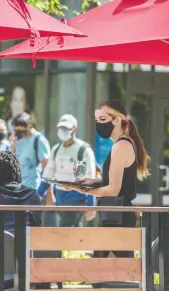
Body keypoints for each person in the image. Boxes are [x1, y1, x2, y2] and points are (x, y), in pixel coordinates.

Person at [65, 100, 150, 259]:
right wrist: (92, 182)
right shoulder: (122, 144)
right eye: (97, 120)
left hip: (116, 216)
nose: (99, 124)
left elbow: (113, 190)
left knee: (109, 274)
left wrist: (82, 189)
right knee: (110, 274)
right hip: (115, 214)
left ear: (117, 120)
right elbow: (115, 182)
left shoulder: (121, 146)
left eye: (103, 119)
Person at [39, 114, 97, 227]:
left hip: (76, 196)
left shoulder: (82, 150)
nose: (63, 131)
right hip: (60, 196)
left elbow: (88, 178)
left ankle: (64, 244)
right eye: (61, 128)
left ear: (74, 129)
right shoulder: (56, 150)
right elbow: (48, 173)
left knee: (67, 226)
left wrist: (91, 205)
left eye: (66, 128)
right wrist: (38, 194)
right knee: (72, 228)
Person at [10, 112, 50, 190]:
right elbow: (13, 163)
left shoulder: (38, 140)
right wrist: (12, 146)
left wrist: (46, 191)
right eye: (16, 130)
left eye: (20, 130)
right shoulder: (18, 140)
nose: (18, 132)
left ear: (29, 126)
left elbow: (47, 168)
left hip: (33, 188)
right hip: (18, 189)